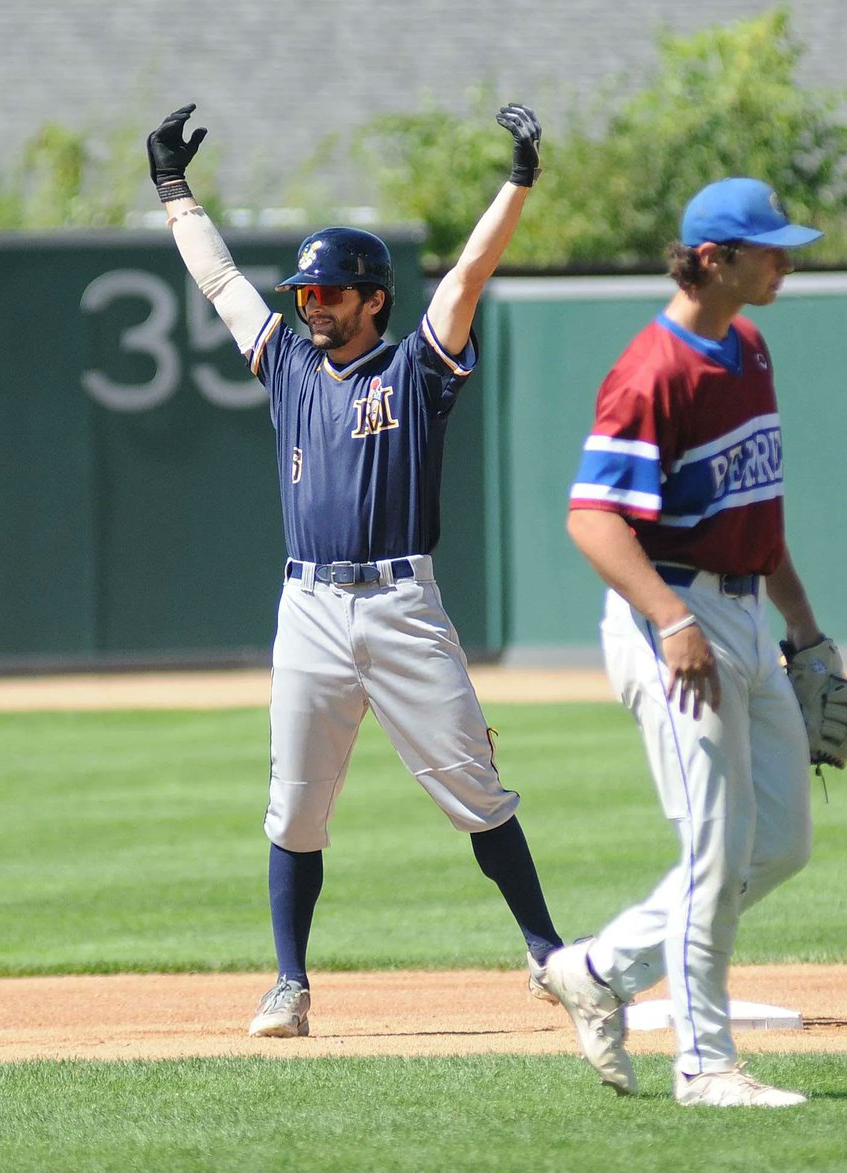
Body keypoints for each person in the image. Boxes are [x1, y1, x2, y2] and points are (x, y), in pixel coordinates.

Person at [145, 102, 562, 1037]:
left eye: (327, 293)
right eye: (304, 295)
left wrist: (518, 181)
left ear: (373, 297)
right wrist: (174, 190)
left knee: (478, 793)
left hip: (403, 604)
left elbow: (469, 274)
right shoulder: (290, 367)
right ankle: (289, 985)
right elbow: (219, 283)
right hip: (310, 608)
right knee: (293, 808)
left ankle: (546, 954)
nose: (310, 305)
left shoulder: (417, 369)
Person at [547, 177, 841, 1107]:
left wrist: (807, 630)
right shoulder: (653, 370)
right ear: (713, 260)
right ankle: (704, 1065)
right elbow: (593, 521)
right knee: (716, 848)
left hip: (748, 611)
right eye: (769, 248)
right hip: (670, 615)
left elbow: (759, 513)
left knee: (781, 843)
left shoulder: (747, 347)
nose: (784, 260)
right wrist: (671, 623)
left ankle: (596, 970)